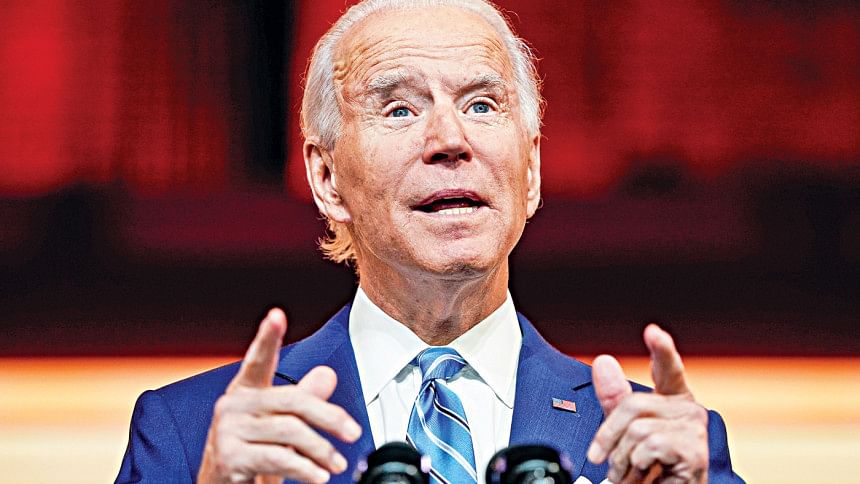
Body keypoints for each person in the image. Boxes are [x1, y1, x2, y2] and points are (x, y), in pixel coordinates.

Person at [117, 1, 743, 483]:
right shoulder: (191, 433)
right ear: (327, 178)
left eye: (481, 105)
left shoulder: (661, 445)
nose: (450, 140)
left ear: (531, 170)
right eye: (399, 110)